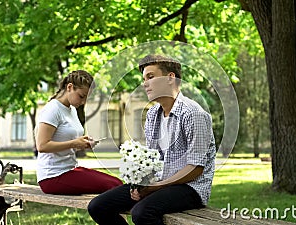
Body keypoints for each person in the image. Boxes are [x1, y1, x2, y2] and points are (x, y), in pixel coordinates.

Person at [88, 55, 217, 225]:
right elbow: (152, 160)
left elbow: (195, 168)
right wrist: (141, 184)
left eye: (151, 77)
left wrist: (155, 187)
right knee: (97, 206)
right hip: (159, 182)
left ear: (170, 78)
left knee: (142, 213)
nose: (145, 84)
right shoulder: (152, 114)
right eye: (144, 79)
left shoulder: (193, 114)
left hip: (190, 187)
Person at [35, 70, 123, 195]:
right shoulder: (53, 109)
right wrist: (74, 143)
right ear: (69, 87)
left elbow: (66, 143)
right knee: (114, 186)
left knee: (117, 183)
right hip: (52, 176)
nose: (83, 102)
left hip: (70, 169)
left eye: (86, 98)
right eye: (81, 96)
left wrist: (82, 143)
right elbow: (42, 146)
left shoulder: (72, 110)